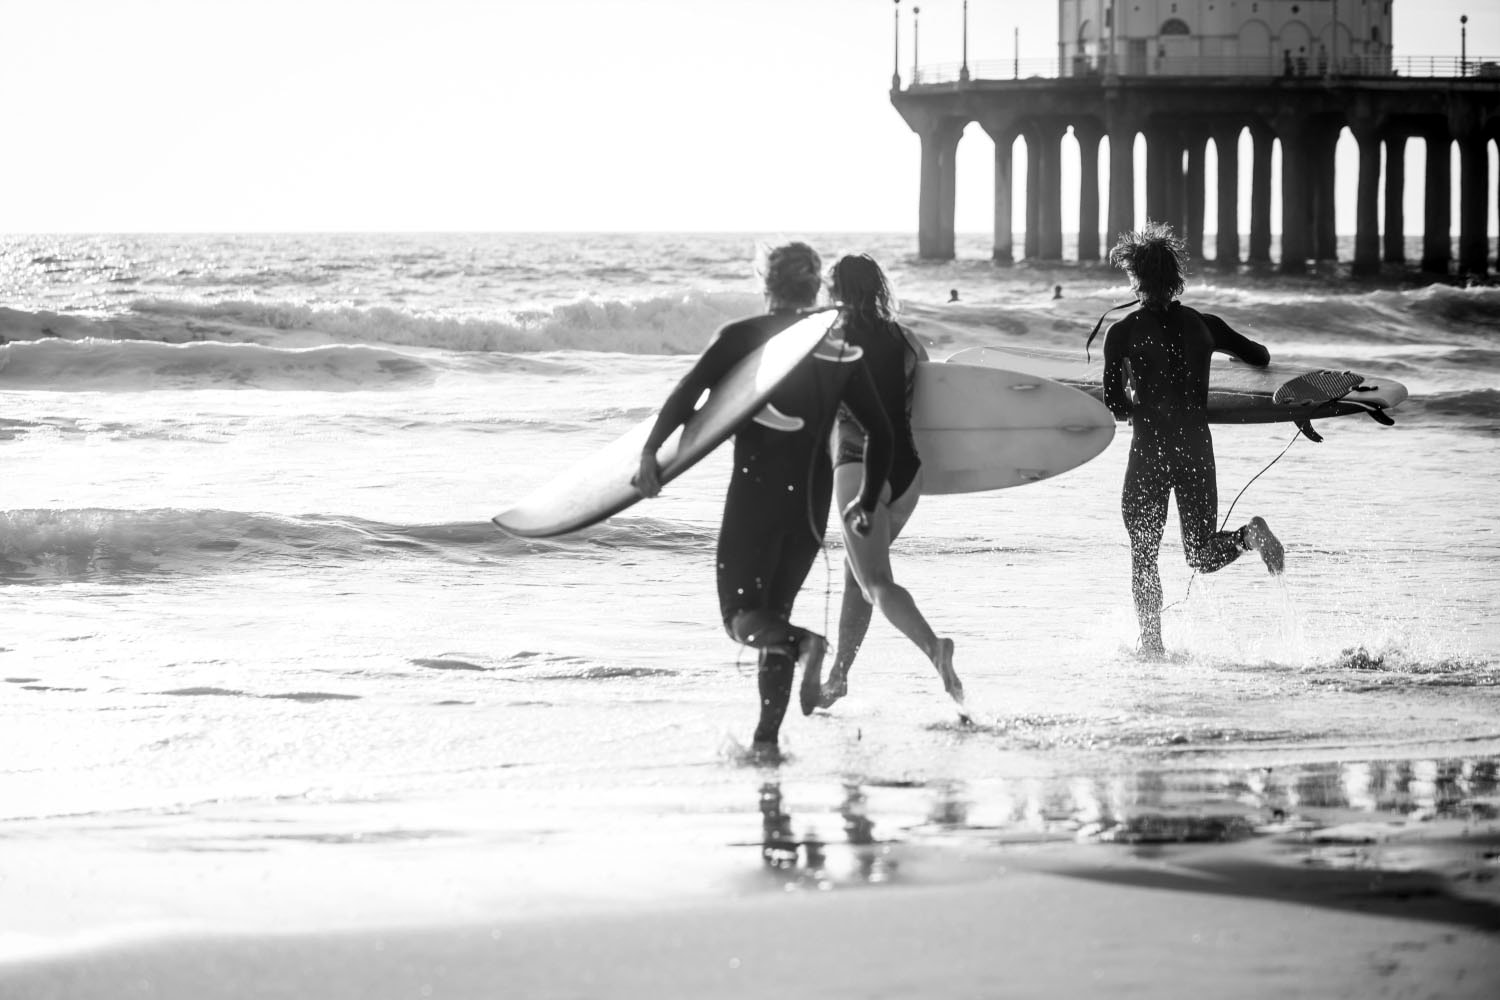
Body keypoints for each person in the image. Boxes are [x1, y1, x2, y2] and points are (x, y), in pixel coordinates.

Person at [633, 242, 893, 759]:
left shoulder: (743, 337)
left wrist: (649, 453)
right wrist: (864, 500)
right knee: (773, 616)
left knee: (741, 616)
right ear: (814, 285)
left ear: (766, 283)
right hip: (811, 507)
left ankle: (807, 647)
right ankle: (766, 741)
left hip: (757, 494)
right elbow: (882, 430)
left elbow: (689, 393)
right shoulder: (835, 347)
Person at [1099, 222, 1284, 658]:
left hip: (1149, 452)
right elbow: (1260, 356)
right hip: (1195, 449)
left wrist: (1129, 384)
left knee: (1144, 554)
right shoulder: (1206, 326)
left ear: (1135, 278)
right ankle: (1248, 537)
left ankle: (1152, 645)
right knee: (1200, 553)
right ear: (1176, 277)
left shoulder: (1122, 333)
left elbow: (1115, 405)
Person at [817, 254, 961, 713]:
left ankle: (934, 647)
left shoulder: (831, 340)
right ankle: (838, 677)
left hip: (860, 467)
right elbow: (934, 398)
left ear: (836, 290)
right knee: (857, 574)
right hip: (908, 474)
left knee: (875, 580)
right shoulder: (905, 339)